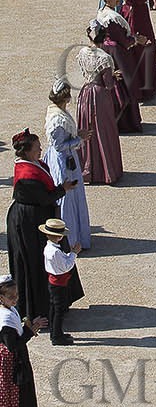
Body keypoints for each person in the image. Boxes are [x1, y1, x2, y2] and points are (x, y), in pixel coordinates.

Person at [7, 130, 83, 323]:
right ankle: (40, 308)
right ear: (27, 151)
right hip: (28, 222)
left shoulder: (34, 164)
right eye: (37, 146)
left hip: (36, 216)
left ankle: (56, 304)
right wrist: (62, 189)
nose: (41, 148)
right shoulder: (27, 174)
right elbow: (43, 198)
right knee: (35, 261)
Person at [0, 273, 45, 407]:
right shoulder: (5, 319)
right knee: (7, 400)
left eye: (16, 295)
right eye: (11, 297)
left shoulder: (9, 311)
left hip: (12, 361)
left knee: (11, 399)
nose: (15, 299)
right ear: (1, 298)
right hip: (7, 363)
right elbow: (13, 344)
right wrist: (31, 331)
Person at [43, 80, 90, 251]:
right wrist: (80, 139)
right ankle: (68, 240)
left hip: (68, 158)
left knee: (73, 195)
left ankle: (76, 236)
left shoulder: (58, 112)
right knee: (66, 197)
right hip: (63, 161)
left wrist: (77, 135)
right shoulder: (56, 119)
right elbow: (58, 145)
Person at [75, 46, 123, 186]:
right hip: (100, 96)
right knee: (103, 130)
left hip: (86, 93)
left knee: (87, 126)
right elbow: (108, 84)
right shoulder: (104, 58)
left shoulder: (83, 52)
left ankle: (87, 168)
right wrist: (114, 77)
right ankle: (106, 171)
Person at [39, 218, 81, 346]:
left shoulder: (49, 248)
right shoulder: (56, 251)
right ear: (60, 237)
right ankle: (57, 337)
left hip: (54, 282)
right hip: (59, 284)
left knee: (54, 309)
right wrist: (73, 253)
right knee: (59, 311)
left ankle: (55, 333)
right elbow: (66, 266)